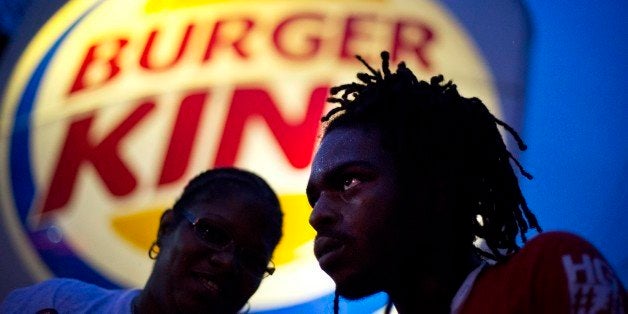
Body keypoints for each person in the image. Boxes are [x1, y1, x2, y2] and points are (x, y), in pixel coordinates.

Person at [306, 51, 626, 313]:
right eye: (315, 198)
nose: (317, 215)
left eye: (348, 182)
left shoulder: (545, 273)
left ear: (435, 183)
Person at [1, 167, 283, 314]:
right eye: (212, 233)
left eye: (252, 259)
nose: (226, 261)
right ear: (166, 227)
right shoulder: (55, 304)